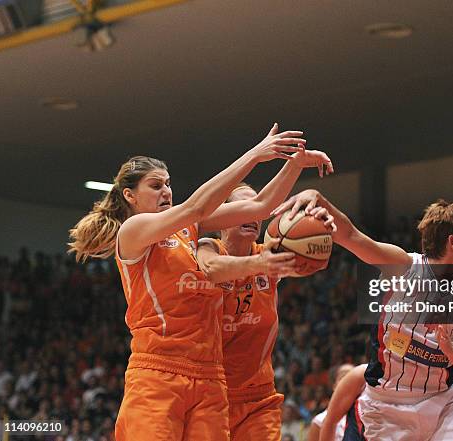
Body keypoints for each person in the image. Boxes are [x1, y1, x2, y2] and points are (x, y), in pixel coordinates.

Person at [68, 123, 333, 441]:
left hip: (209, 376)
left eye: (167, 184)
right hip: (158, 372)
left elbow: (260, 206)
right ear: (130, 195)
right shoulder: (133, 232)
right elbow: (196, 206)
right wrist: (254, 155)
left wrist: (295, 166)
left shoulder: (188, 229)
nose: (165, 191)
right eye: (155, 185)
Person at [273, 191, 453, 441]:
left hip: (441, 404)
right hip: (387, 406)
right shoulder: (404, 267)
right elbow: (352, 236)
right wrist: (319, 200)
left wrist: (450, 350)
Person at [195, 183, 335, 441]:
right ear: (223, 216)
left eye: (257, 209)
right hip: (210, 393)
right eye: (242, 208)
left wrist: (321, 229)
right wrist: (257, 264)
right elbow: (211, 267)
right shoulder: (208, 246)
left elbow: (313, 263)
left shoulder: (269, 254)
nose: (253, 215)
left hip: (258, 396)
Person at [308, 363, 365, 441]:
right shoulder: (319, 421)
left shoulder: (368, 413)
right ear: (334, 385)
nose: (348, 381)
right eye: (343, 377)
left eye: (352, 377)